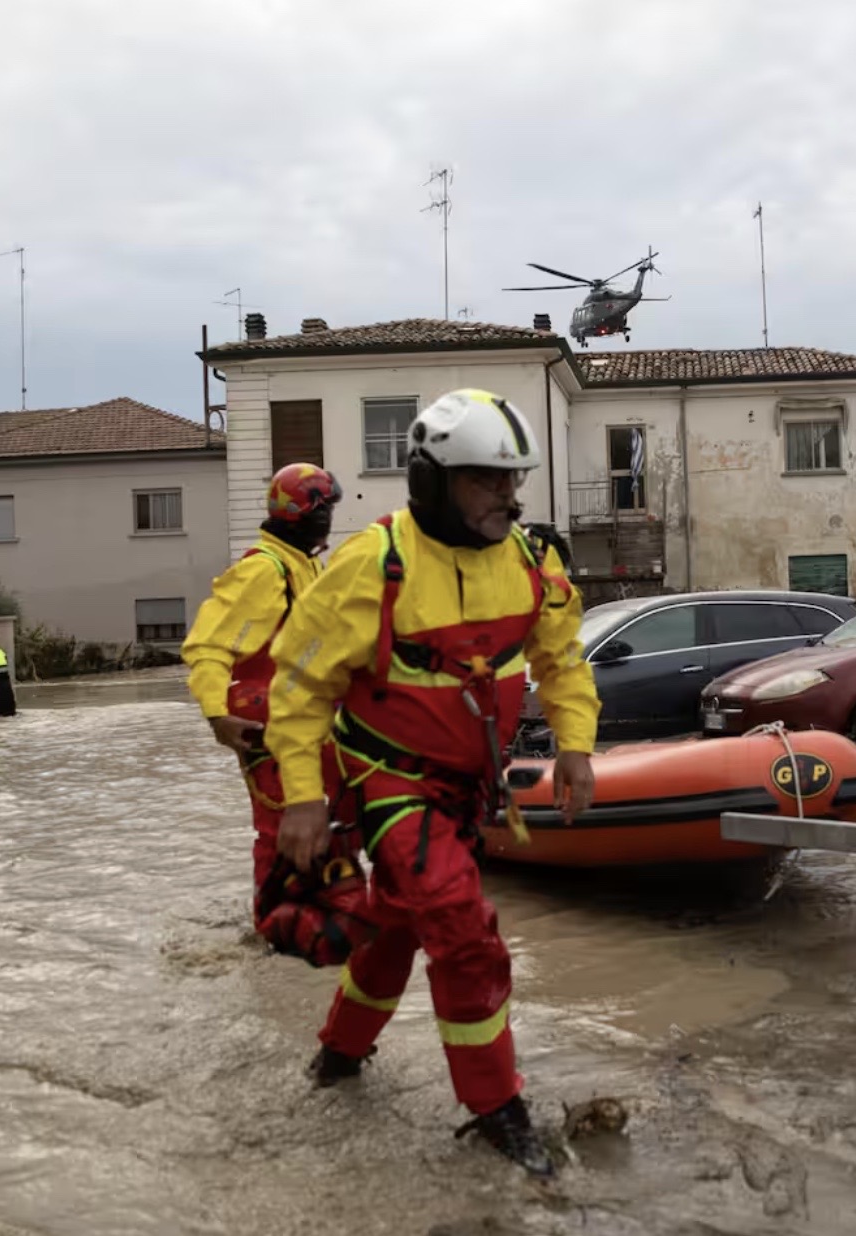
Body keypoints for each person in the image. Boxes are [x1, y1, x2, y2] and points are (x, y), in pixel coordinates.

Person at [265, 389, 599, 1178]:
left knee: (396, 926)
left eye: (513, 480)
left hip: (466, 792)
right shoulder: (369, 566)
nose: (508, 497)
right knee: (462, 929)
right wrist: (304, 799)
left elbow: (561, 661)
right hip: (388, 783)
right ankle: (494, 1106)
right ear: (432, 480)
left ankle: (338, 1059)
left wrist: (577, 750)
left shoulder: (530, 562)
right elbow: (299, 690)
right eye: (487, 480)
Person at [180, 462, 342, 892]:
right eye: (325, 512)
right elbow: (209, 646)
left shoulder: (303, 565)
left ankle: (313, 909)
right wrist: (217, 716)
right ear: (310, 516)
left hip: (306, 714)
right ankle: (276, 930)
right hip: (266, 717)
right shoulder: (265, 570)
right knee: (280, 825)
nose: (330, 522)